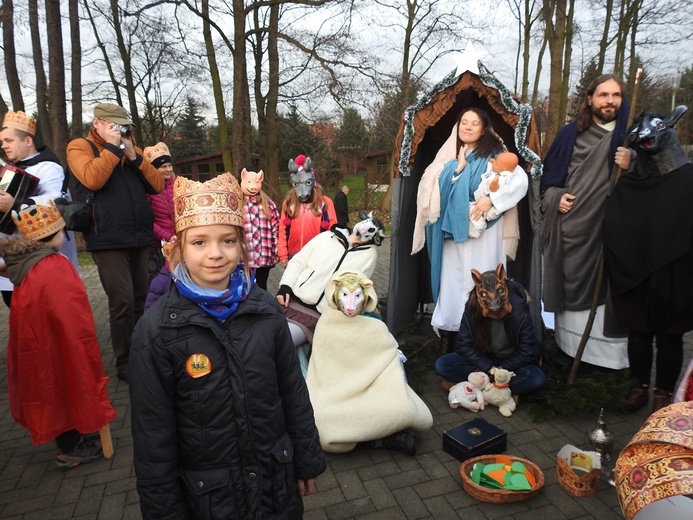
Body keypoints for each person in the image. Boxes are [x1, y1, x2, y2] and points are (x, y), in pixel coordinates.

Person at [130, 173, 325, 519]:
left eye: (227, 241)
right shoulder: (157, 332)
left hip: (273, 485)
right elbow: (153, 437)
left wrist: (305, 460)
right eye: (200, 242)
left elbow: (292, 392)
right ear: (179, 248)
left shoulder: (266, 311)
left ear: (241, 245)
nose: (216, 254)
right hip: (209, 499)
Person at [0, 201, 116, 468]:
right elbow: (70, 310)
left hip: (40, 341)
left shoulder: (27, 264)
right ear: (54, 234)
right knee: (68, 380)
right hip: (61, 339)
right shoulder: (53, 265)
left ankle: (71, 440)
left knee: (51, 384)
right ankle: (73, 447)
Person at [413, 108, 528, 352]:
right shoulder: (452, 157)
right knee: (453, 282)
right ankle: (450, 334)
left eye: (474, 123)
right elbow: (440, 190)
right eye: (464, 122)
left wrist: (492, 200)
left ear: (484, 128)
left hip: (485, 233)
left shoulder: (497, 156)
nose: (467, 127)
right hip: (453, 232)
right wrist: (458, 168)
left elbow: (519, 180)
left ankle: (484, 337)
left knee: (484, 280)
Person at [603, 107, 693, 413]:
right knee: (638, 332)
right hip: (637, 271)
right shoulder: (632, 180)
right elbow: (616, 219)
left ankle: (663, 393)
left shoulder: (688, 179)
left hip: (675, 273)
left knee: (670, 337)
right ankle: (639, 385)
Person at [66, 103, 164, 384]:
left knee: (140, 299)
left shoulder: (130, 148)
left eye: (123, 126)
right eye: (114, 125)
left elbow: (157, 185)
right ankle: (125, 363)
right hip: (107, 238)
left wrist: (135, 157)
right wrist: (110, 148)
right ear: (97, 123)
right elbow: (92, 179)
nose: (120, 130)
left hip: (139, 235)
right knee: (121, 301)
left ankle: (143, 353)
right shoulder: (80, 146)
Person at [541, 74, 631, 370]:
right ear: (590, 99)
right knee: (570, 294)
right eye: (603, 94)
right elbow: (547, 182)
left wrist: (631, 165)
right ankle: (570, 352)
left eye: (615, 95)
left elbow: (651, 186)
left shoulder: (629, 136)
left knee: (607, 294)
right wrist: (557, 197)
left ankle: (606, 362)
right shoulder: (569, 135)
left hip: (609, 234)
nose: (609, 100)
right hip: (572, 231)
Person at [307, 271, 432, 455]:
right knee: (322, 423)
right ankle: (381, 438)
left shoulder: (375, 326)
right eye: (344, 295)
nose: (350, 306)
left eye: (357, 296)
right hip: (333, 393)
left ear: (365, 296)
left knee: (403, 409)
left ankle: (373, 437)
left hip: (373, 388)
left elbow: (386, 358)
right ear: (335, 293)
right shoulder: (326, 324)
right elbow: (323, 368)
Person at [0, 110, 79, 308]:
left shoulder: (48, 168)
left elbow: (56, 205)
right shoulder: (6, 170)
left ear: (28, 141)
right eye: (2, 142)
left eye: (8, 140)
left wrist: (15, 205)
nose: (4, 146)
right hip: (10, 264)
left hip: (41, 264)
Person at [276, 211, 386, 347]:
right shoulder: (325, 238)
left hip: (319, 315)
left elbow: (356, 287)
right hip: (291, 302)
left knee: (280, 343)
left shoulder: (369, 255)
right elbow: (298, 262)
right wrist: (285, 286)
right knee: (261, 333)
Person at [434, 264, 545, 396]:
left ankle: (477, 388)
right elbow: (464, 345)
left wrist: (502, 370)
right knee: (443, 364)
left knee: (536, 378)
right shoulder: (472, 307)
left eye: (499, 291)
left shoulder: (519, 309)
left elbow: (527, 350)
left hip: (511, 364)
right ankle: (501, 392)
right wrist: (488, 367)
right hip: (483, 362)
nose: (493, 301)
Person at [278, 154, 337, 267]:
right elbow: (283, 230)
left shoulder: (325, 203)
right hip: (294, 256)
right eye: (297, 184)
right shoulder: (289, 203)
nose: (303, 192)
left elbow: (332, 229)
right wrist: (283, 254)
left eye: (307, 183)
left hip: (317, 256)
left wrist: (329, 255)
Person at [240, 167, 279, 290]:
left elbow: (276, 228)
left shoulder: (268, 204)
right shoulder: (237, 205)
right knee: (245, 288)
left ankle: (263, 308)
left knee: (262, 287)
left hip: (264, 255)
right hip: (243, 256)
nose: (253, 187)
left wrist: (278, 251)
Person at [469, 152, 522, 238]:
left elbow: (495, 189)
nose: (493, 162)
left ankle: (476, 230)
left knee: (479, 217)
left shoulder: (502, 177)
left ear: (504, 169)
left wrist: (494, 185)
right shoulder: (496, 170)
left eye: (496, 163)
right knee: (474, 212)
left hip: (491, 208)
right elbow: (492, 163)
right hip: (480, 200)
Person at [143, 142, 175, 283]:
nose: (168, 169)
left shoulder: (178, 184)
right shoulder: (147, 189)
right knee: (159, 283)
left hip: (178, 241)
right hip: (157, 245)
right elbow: (148, 220)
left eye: (169, 165)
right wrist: (167, 236)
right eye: (163, 166)